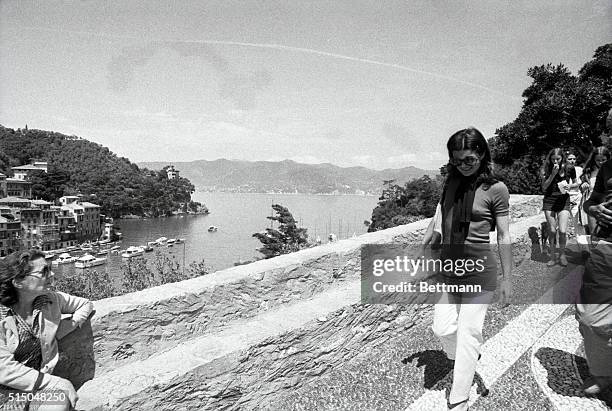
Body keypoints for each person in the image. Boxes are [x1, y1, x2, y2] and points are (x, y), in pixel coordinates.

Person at [423, 128, 512, 411]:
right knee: (443, 327)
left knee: (468, 334)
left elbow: (504, 235)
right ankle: (469, 356)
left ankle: (458, 398)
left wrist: (508, 279)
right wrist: (428, 239)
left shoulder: (496, 189)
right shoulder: (451, 183)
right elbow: (441, 213)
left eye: (469, 160)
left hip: (479, 269)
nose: (463, 165)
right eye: (457, 160)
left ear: (482, 154)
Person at [0, 249, 94, 411]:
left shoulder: (51, 300)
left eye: (49, 268)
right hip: (4, 396)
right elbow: (4, 369)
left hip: (35, 391)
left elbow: (85, 304)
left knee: (59, 401)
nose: (51, 274)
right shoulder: (2, 316)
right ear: (18, 282)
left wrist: (69, 325)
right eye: (44, 271)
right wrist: (55, 381)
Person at [576, 155, 612, 395]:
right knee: (590, 317)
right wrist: (594, 208)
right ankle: (602, 374)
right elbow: (590, 203)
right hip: (607, 246)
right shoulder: (608, 168)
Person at [541, 148, 577, 267]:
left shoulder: (569, 168)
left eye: (558, 159)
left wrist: (570, 186)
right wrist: (552, 174)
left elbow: (577, 183)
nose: (555, 162)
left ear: (562, 158)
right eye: (553, 159)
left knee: (562, 231)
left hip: (563, 201)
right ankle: (552, 257)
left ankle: (562, 255)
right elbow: (544, 188)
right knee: (552, 230)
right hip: (549, 201)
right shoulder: (545, 169)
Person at [578, 146, 611, 234]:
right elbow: (582, 190)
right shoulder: (590, 172)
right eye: (598, 160)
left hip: (607, 205)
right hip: (593, 206)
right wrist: (583, 186)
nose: (601, 162)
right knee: (593, 235)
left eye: (603, 160)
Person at [566, 151, 584, 235]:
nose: (572, 160)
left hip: (576, 197)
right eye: (570, 159)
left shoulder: (579, 170)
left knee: (578, 222)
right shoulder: (562, 170)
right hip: (564, 197)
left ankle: (580, 243)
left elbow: (583, 181)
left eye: (574, 159)